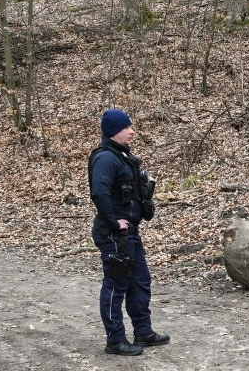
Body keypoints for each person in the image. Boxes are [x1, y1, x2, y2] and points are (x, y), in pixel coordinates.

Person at [89, 109, 169, 356]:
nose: (132, 131)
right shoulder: (106, 159)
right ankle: (115, 341)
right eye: (127, 128)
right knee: (115, 285)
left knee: (140, 281)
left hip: (131, 233)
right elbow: (99, 193)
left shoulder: (123, 157)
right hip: (114, 235)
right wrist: (114, 223)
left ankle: (143, 332)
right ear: (114, 130)